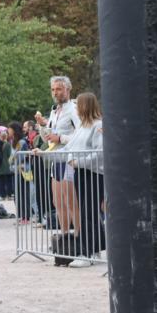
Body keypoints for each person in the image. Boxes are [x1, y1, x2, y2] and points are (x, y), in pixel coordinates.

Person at [37, 92, 105, 268]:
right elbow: (67, 149)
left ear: (84, 106)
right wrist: (45, 154)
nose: (76, 109)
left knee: (88, 213)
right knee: (86, 212)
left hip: (93, 174)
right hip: (80, 173)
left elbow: (100, 153)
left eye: (78, 105)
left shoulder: (98, 126)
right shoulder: (82, 127)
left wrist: (78, 162)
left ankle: (88, 253)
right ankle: (92, 250)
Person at [35, 76, 81, 236]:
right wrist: (42, 125)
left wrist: (60, 138)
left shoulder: (74, 109)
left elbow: (81, 134)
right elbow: (47, 138)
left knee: (71, 200)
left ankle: (79, 236)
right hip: (56, 159)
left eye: (59, 89)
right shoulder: (54, 111)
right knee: (58, 201)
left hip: (69, 159)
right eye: (53, 89)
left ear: (68, 89)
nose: (55, 92)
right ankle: (64, 235)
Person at [9, 121, 34, 223]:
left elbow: (18, 157)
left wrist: (11, 160)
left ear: (14, 130)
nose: (8, 131)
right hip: (17, 170)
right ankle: (21, 215)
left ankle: (26, 216)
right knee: (17, 195)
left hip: (23, 171)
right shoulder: (14, 142)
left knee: (24, 194)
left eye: (10, 129)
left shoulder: (21, 142)